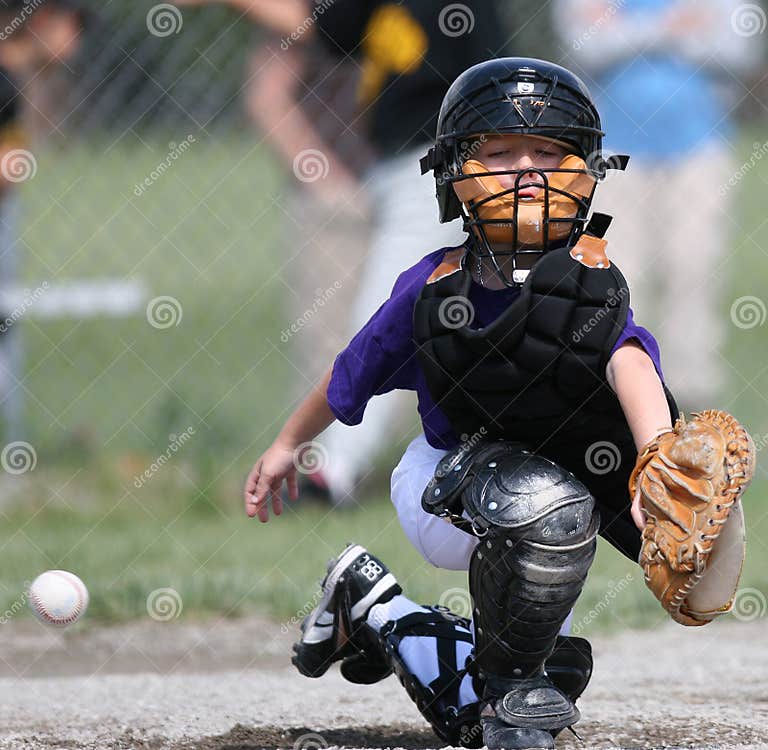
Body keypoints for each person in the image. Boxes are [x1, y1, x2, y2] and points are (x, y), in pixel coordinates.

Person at [244, 57, 680, 749]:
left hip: (544, 509)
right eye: (501, 153)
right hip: (441, 485)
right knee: (549, 508)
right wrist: (285, 446)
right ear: (454, 174)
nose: (527, 172)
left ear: (588, 170)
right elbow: (347, 376)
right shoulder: (433, 290)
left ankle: (374, 605)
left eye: (549, 152)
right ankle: (507, 692)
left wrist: (659, 462)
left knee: (517, 688)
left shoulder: (590, 288)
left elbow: (632, 365)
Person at [553, 0, 763, 413]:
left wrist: (626, 30)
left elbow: (741, 49)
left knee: (694, 266)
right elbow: (582, 48)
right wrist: (674, 28)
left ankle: (691, 404)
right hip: (612, 150)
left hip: (699, 147)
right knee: (614, 275)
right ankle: (620, 393)